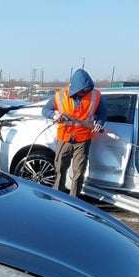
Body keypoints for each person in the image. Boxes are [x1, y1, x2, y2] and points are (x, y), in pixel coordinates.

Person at [41, 69, 107, 199]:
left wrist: (100, 123)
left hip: (83, 139)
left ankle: (73, 200)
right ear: (76, 88)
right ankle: (57, 197)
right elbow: (45, 110)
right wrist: (55, 115)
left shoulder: (95, 95)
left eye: (87, 89)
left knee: (79, 171)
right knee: (60, 169)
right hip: (64, 138)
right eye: (83, 90)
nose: (85, 92)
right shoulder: (61, 95)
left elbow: (102, 113)